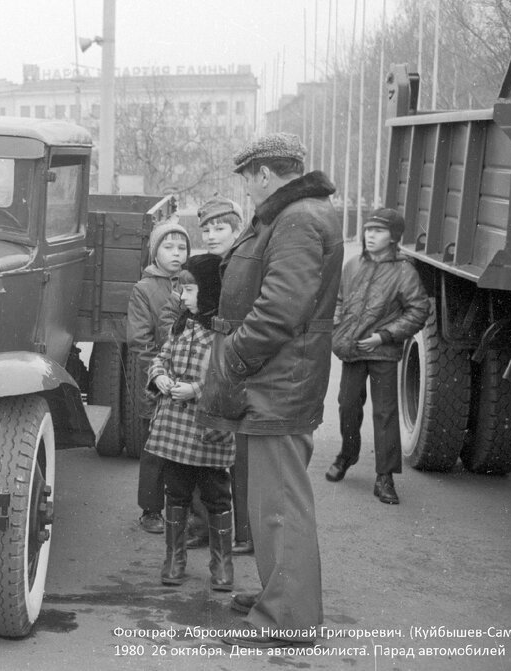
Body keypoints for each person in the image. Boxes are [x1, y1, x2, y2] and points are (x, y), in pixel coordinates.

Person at [195, 133, 343, 649]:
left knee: (279, 502)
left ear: (262, 174)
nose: (247, 189)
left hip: (275, 380)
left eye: (247, 178)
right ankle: (276, 596)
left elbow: (282, 307)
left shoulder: (297, 218)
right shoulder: (294, 214)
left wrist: (232, 357)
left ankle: (290, 618)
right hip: (276, 378)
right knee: (267, 499)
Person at [327, 208, 430, 504]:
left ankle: (385, 477)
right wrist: (338, 327)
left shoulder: (404, 271)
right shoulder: (352, 264)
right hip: (354, 350)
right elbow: (338, 299)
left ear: (394, 237)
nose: (370, 235)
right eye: (368, 229)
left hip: (383, 352)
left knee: (384, 414)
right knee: (347, 406)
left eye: (378, 231)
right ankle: (347, 454)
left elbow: (418, 310)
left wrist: (384, 336)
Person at [145, 254, 234, 591]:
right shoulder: (182, 325)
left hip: (208, 427)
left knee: (217, 495)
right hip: (176, 429)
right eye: (181, 290)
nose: (182, 296)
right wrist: (161, 377)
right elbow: (161, 357)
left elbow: (228, 376)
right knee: (176, 491)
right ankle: (174, 559)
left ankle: (222, 564)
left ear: (209, 291)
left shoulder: (224, 333)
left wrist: (195, 390)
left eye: (190, 290)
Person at [184, 197, 254, 555]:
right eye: (206, 229)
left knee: (238, 453)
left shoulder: (244, 263)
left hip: (237, 359)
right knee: (206, 444)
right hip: (211, 357)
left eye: (219, 228)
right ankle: (208, 527)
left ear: (236, 229)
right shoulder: (205, 267)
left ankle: (244, 532)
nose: (211, 235)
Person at [129, 221, 188, 533]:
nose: (176, 253)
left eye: (181, 248)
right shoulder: (144, 289)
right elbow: (140, 341)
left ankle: (183, 509)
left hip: (189, 379)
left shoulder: (192, 284)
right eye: (169, 247)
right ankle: (150, 510)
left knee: (185, 448)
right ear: (155, 252)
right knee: (154, 451)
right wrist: (159, 375)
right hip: (157, 380)